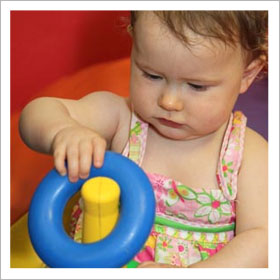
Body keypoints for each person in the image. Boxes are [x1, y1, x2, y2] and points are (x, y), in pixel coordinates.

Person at [19, 11, 268, 268]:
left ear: (247, 75)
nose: (168, 101)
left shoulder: (247, 154)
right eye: (152, 75)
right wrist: (62, 131)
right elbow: (36, 113)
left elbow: (264, 241)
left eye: (196, 86)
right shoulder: (122, 120)